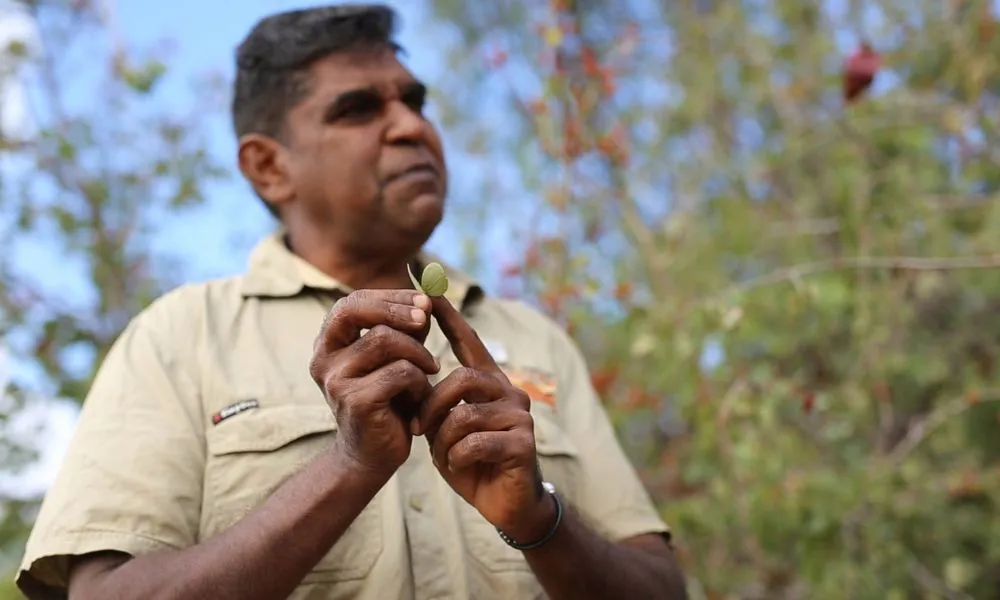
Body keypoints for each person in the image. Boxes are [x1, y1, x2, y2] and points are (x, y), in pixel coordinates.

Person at [15, 4, 687, 599]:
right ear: (269, 167)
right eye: (359, 109)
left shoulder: (537, 340)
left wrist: (540, 521)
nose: (410, 127)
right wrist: (348, 468)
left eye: (415, 101)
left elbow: (661, 587)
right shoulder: (179, 338)